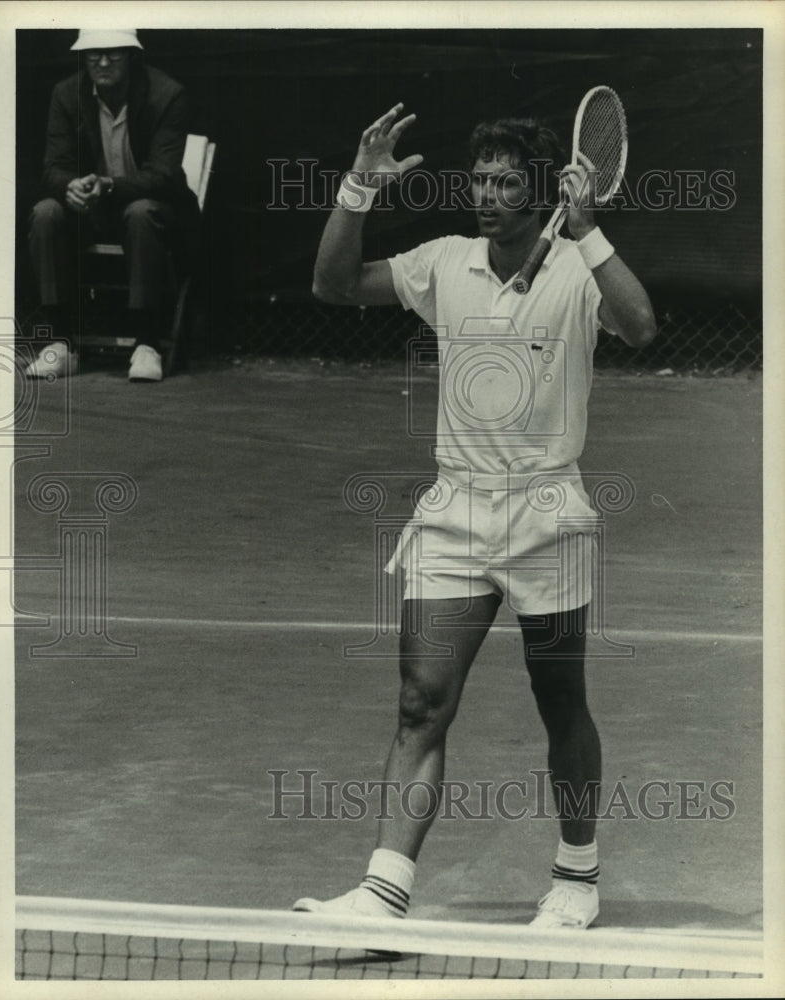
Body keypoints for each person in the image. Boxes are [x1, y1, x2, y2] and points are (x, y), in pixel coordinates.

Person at [293, 104, 656, 929]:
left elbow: (639, 326)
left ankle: (577, 876)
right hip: (454, 512)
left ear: (542, 193)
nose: (486, 195)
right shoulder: (444, 263)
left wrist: (591, 233)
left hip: (547, 516)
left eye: (505, 182)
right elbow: (333, 285)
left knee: (559, 700)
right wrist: (357, 187)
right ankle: (384, 893)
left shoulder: (574, 270)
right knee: (422, 701)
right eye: (479, 180)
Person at [25, 28, 200, 382]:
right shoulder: (66, 93)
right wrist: (69, 186)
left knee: (140, 213)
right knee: (45, 213)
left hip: (155, 212)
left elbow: (164, 175)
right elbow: (53, 167)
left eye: (114, 53)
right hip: (91, 210)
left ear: (132, 55)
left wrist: (107, 186)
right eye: (93, 53)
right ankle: (62, 345)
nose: (103, 62)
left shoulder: (167, 95)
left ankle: (146, 343)